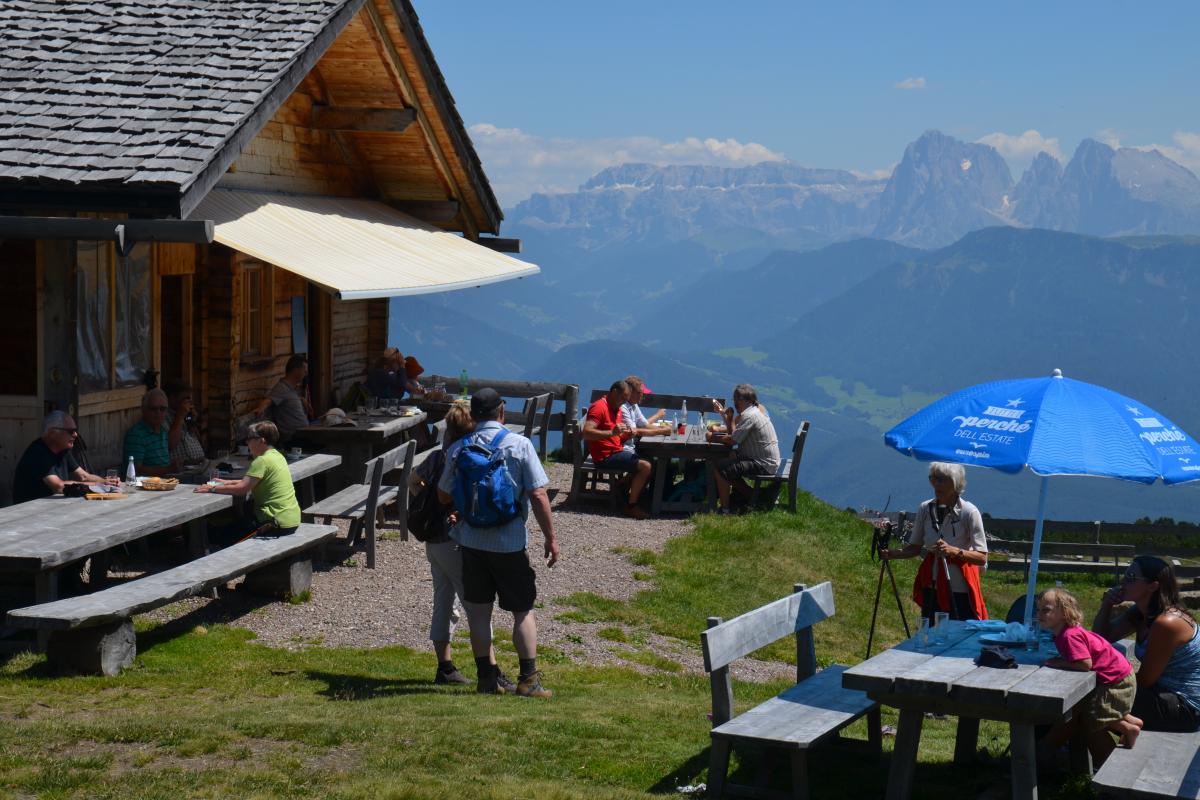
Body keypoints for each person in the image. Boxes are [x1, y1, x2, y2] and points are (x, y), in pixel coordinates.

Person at [437, 388, 559, 698]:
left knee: (479, 613)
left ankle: (486, 680)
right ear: (501, 412)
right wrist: (550, 537)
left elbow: (443, 493)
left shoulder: (459, 447)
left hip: (471, 542)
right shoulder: (519, 445)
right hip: (509, 542)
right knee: (522, 610)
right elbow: (538, 493)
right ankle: (528, 679)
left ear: (474, 415)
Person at [408, 399, 501, 686]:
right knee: (477, 604)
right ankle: (491, 672)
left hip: (433, 540)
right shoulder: (466, 458)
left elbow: (412, 480)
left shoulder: (438, 456)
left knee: (444, 603)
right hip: (455, 540)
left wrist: (427, 503)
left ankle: (445, 667)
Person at [1094, 556, 1200, 732]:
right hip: (1162, 694)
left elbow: (1145, 680)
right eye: (1125, 575)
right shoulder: (1141, 612)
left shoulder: (1167, 622)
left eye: (1131, 578)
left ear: (1153, 586)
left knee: (1092, 698)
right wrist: (1107, 605)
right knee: (1092, 696)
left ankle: (1049, 748)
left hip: (1185, 708)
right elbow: (1100, 639)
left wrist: (1105, 679)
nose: (1123, 582)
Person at [1038, 587, 1142, 766]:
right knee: (1098, 710)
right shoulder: (1067, 632)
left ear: (1064, 613)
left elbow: (1085, 664)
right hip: (1120, 674)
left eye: (1046, 610)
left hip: (1114, 680)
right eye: (1038, 609)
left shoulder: (1069, 636)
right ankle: (1134, 721)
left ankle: (1129, 729)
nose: (1040, 614)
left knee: (1094, 716)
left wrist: (1059, 663)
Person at [881, 462, 989, 621]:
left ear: (955, 482)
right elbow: (915, 548)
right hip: (931, 586)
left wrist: (953, 551)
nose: (936, 484)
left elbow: (982, 557)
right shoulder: (925, 508)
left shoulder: (969, 512)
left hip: (960, 589)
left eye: (942, 479)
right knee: (930, 634)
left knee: (956, 636)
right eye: (933, 479)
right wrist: (892, 554)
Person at [193, 421, 300, 542]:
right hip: (291, 520)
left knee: (217, 536)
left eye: (249, 439)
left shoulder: (262, 460)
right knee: (226, 529)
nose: (247, 442)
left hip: (273, 523)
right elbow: (253, 481)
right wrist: (227, 482)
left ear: (261, 440)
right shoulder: (277, 456)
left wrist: (212, 488)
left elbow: (242, 489)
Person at [582, 380, 651, 519]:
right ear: (614, 392)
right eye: (622, 398)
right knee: (645, 466)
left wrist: (626, 434)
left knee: (648, 459)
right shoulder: (599, 407)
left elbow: (615, 432)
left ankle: (621, 487)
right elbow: (586, 433)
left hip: (616, 450)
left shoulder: (616, 408)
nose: (623, 403)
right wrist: (612, 433)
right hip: (604, 457)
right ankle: (631, 506)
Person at [707, 384, 781, 513]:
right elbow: (734, 435)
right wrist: (728, 417)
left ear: (749, 401)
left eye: (739, 400)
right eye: (735, 399)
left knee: (719, 467)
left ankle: (726, 510)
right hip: (765, 459)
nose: (736, 403)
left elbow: (732, 440)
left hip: (762, 463)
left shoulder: (749, 416)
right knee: (727, 457)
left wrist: (712, 438)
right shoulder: (753, 412)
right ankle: (751, 495)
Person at [12, 411, 109, 503]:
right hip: (30, 513)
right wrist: (96, 486)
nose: (75, 435)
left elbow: (83, 476)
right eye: (70, 431)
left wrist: (105, 482)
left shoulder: (63, 449)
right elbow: (58, 486)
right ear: (52, 433)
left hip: (52, 508)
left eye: (75, 431)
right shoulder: (37, 452)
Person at [256, 355, 314, 443]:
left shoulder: (291, 388)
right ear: (295, 370)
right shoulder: (281, 388)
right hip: (292, 438)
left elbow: (287, 399)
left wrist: (301, 399)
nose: (306, 374)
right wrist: (260, 409)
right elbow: (269, 400)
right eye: (304, 371)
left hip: (302, 434)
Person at [123, 388, 173, 477]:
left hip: (165, 481)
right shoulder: (137, 435)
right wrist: (168, 469)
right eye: (153, 409)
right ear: (143, 410)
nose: (158, 412)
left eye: (162, 409)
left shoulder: (163, 430)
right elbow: (135, 471)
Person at [164, 381, 205, 467]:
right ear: (172, 398)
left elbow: (198, 441)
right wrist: (179, 417)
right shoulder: (163, 416)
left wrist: (192, 422)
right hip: (179, 468)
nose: (189, 401)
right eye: (185, 398)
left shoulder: (186, 414)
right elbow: (169, 445)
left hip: (198, 464)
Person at [619, 376, 669, 446]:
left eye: (642, 393)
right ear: (629, 392)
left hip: (632, 445)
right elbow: (634, 431)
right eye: (639, 393)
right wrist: (662, 431)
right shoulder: (623, 407)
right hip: (625, 447)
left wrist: (664, 430)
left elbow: (644, 424)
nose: (642, 395)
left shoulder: (634, 404)